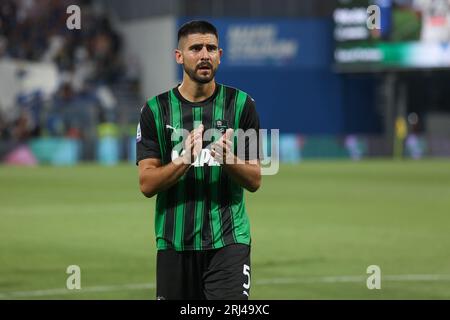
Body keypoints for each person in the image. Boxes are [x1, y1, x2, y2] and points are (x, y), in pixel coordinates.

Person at [136, 20, 262, 300]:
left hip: (229, 242)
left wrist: (229, 160)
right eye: (195, 48)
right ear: (179, 56)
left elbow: (255, 180)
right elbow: (146, 184)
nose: (205, 54)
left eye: (211, 48)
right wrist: (183, 160)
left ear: (220, 55)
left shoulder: (242, 106)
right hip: (174, 243)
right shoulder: (155, 111)